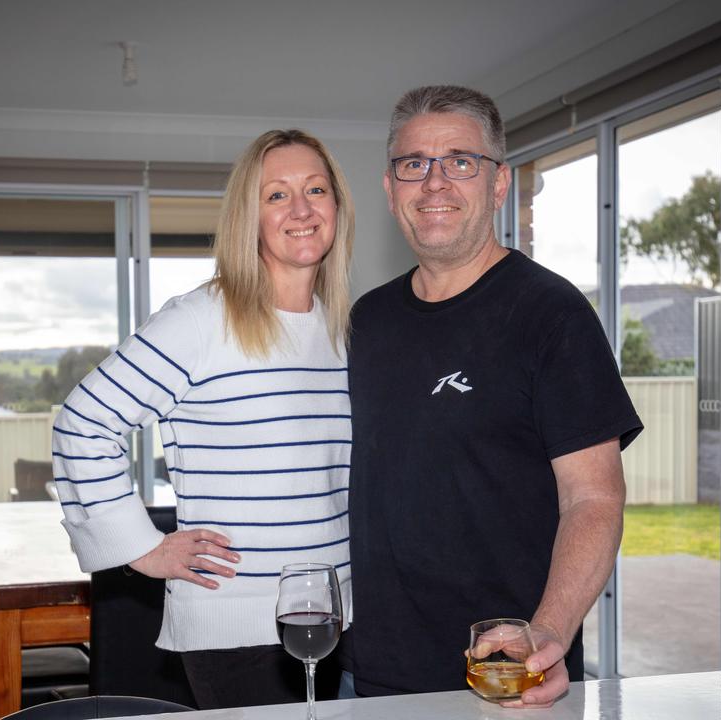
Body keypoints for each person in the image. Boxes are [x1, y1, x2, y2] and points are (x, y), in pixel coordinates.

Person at [342, 85, 643, 707]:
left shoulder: (551, 314)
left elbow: (594, 497)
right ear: (390, 187)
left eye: (460, 160)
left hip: (506, 671)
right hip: (368, 668)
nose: (434, 182)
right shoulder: (366, 321)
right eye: (413, 164)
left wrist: (549, 630)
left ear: (498, 183)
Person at [52, 129, 355, 709]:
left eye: (316, 189)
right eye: (276, 195)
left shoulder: (343, 329)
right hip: (238, 630)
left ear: (337, 207)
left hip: (333, 617)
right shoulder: (200, 320)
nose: (300, 208)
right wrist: (141, 548)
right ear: (249, 216)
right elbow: (82, 423)